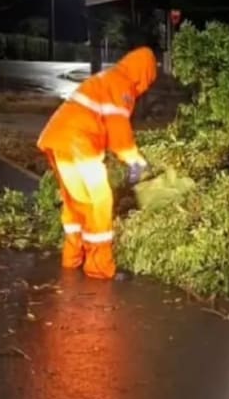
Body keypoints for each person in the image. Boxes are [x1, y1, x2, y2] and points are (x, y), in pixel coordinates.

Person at [37, 46, 157, 280]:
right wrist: (136, 161)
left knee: (76, 202)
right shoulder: (122, 87)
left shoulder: (109, 78)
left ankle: (72, 258)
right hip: (78, 142)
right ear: (144, 73)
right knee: (100, 200)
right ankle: (100, 268)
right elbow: (119, 131)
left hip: (59, 139)